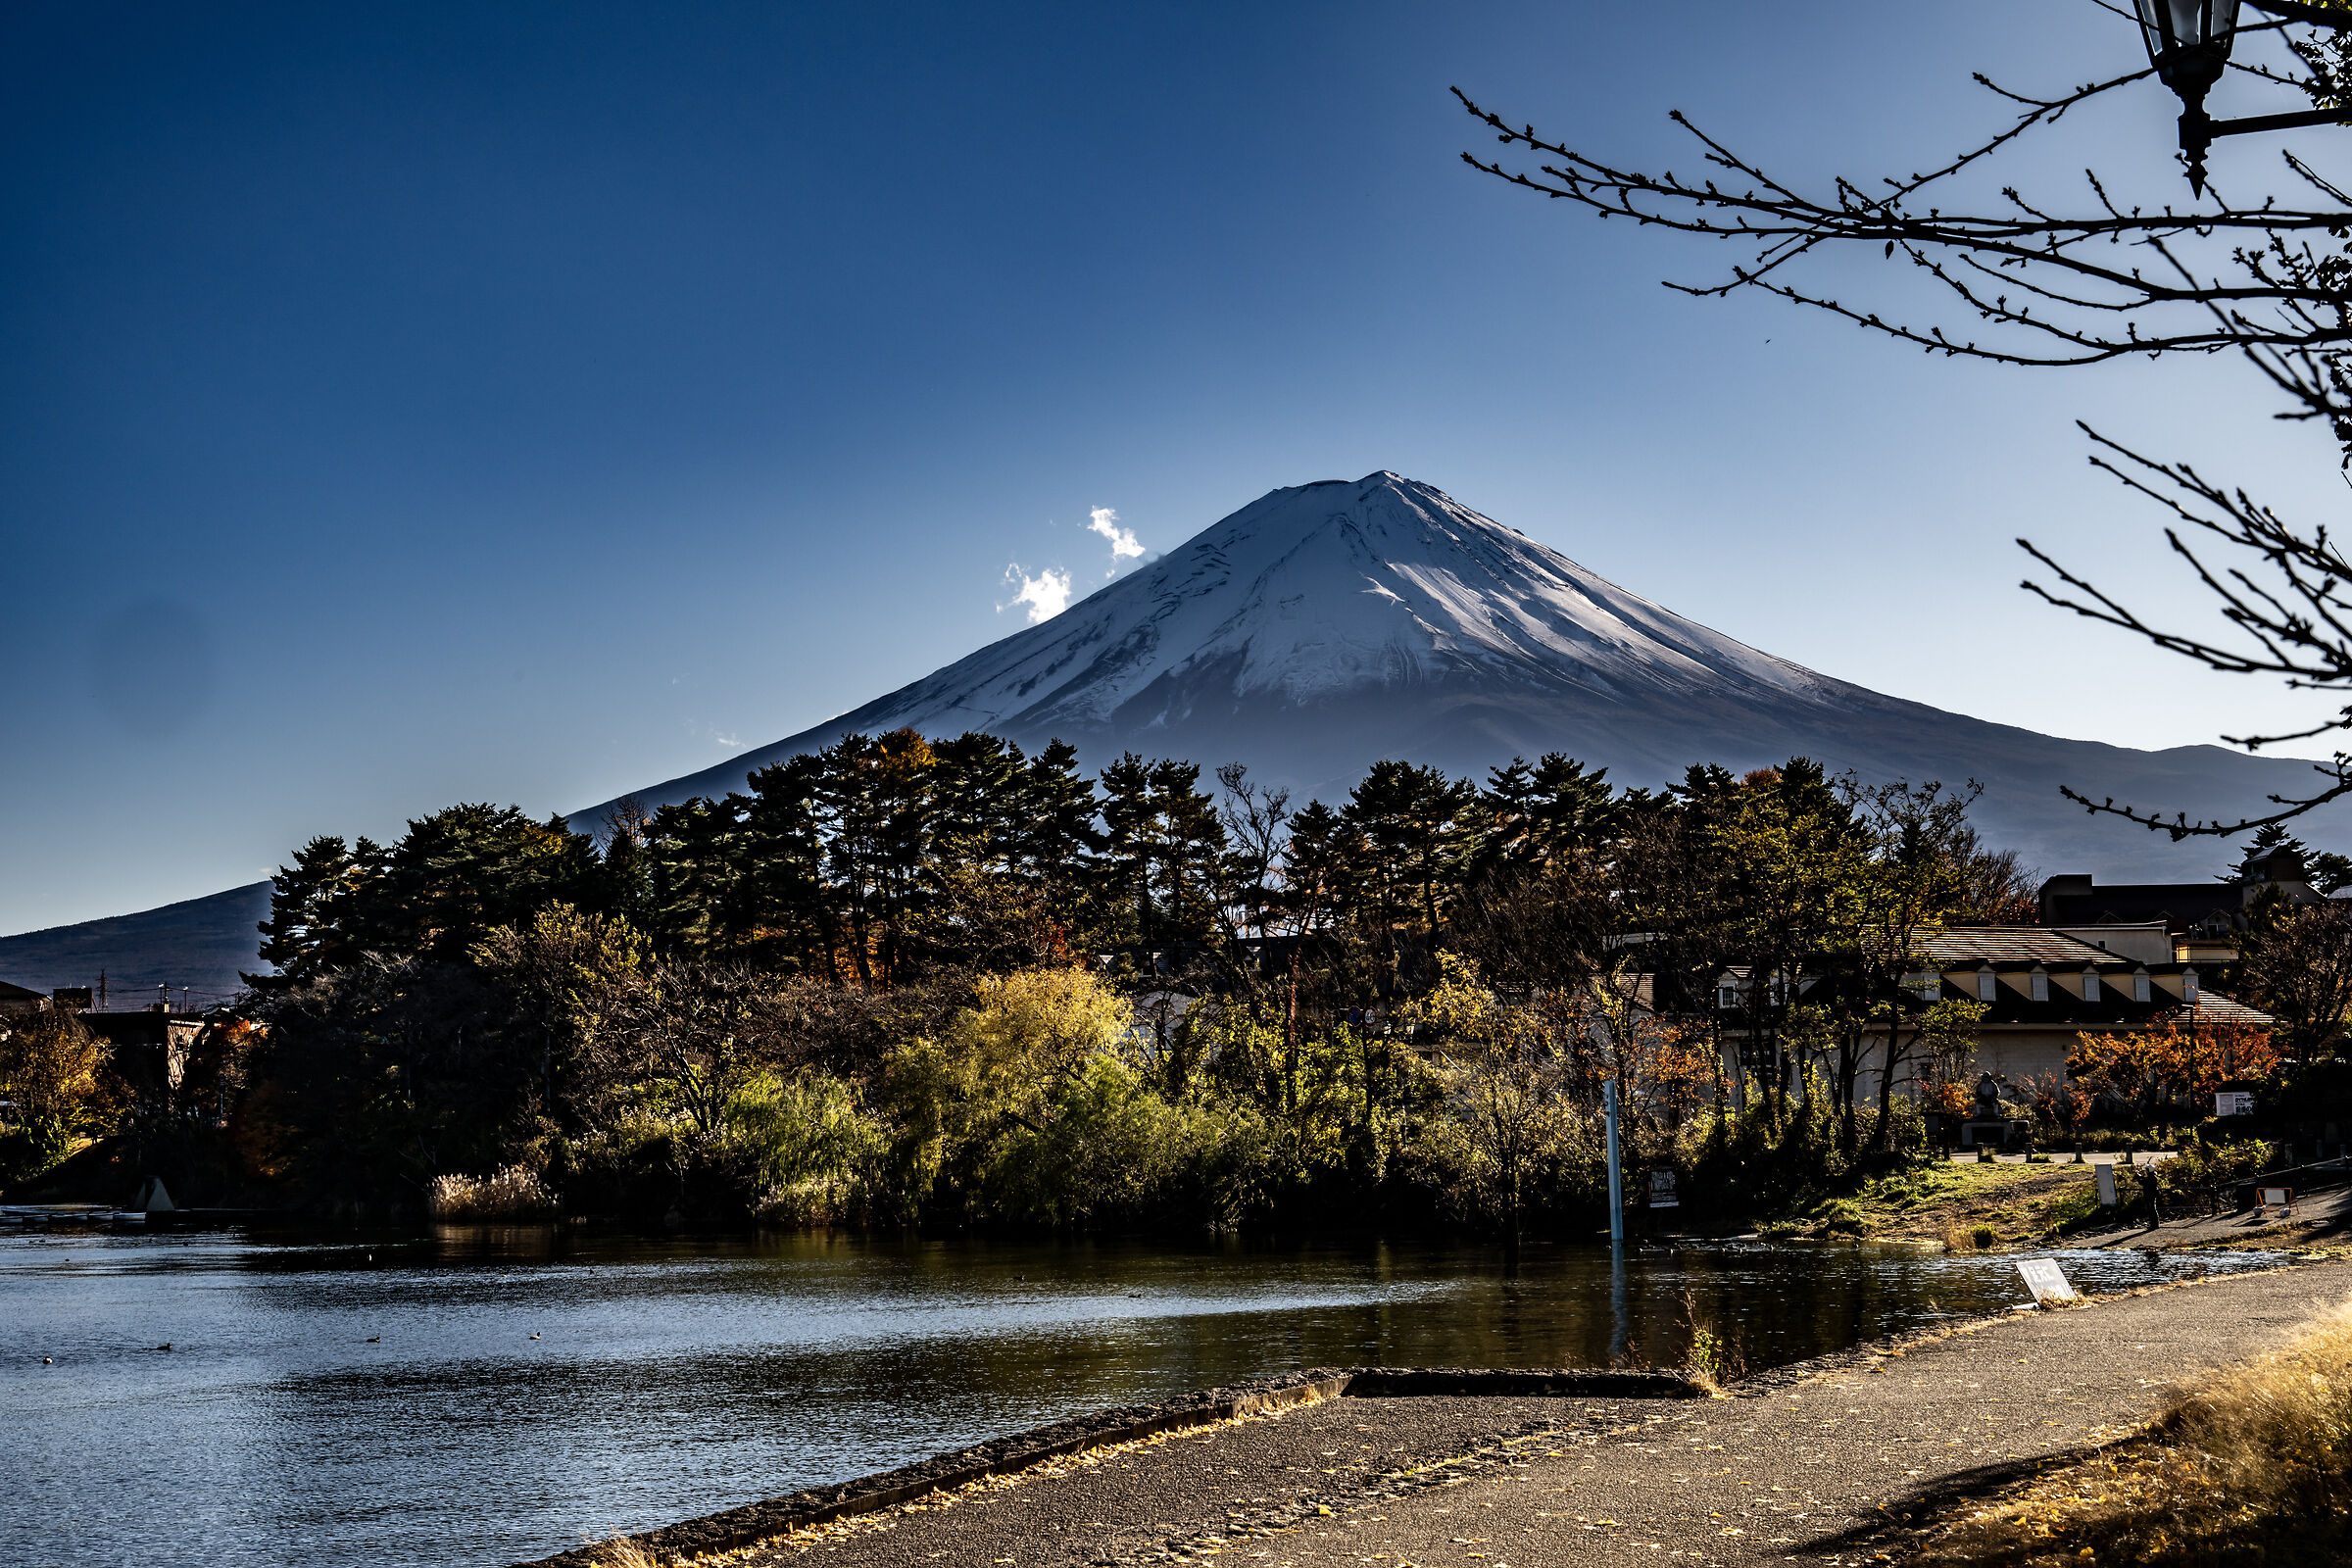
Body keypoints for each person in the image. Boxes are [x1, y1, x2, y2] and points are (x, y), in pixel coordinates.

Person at [2138, 1159, 2164, 1229]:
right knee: (2151, 1210)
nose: (2145, 1171)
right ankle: (2153, 1224)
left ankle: (2154, 1224)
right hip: (2151, 1195)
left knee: (2152, 1210)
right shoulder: (2152, 1177)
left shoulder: (2151, 1178)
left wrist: (2140, 1178)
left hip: (2150, 1195)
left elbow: (2144, 1183)